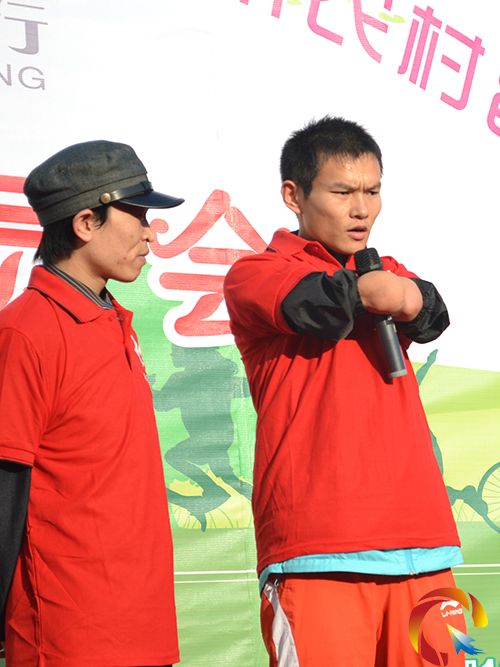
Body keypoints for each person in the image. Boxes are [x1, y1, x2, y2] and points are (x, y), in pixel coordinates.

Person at [223, 116, 465, 666]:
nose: (362, 209)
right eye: (343, 193)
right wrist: (378, 291)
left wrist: (406, 295)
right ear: (293, 195)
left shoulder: (387, 268)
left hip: (424, 544)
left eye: (372, 191)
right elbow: (316, 304)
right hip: (319, 550)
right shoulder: (257, 273)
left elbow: (433, 312)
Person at [0, 140, 183, 666]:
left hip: (143, 629)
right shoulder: (25, 331)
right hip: (67, 638)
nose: (150, 232)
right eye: (137, 215)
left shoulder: (114, 321)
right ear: (85, 222)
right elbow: (6, 489)